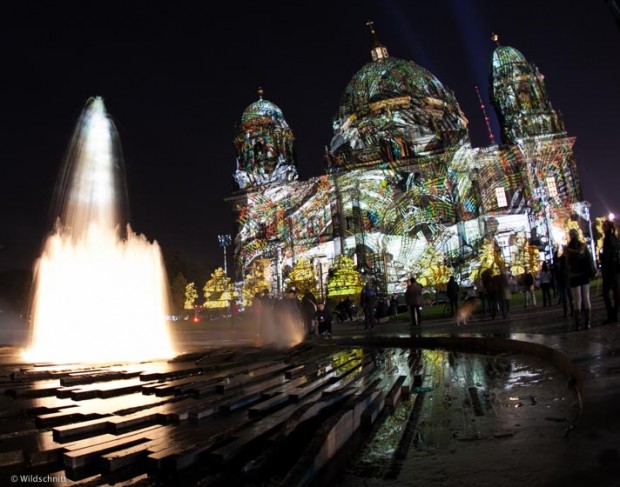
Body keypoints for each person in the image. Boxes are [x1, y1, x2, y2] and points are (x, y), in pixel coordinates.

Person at [565, 228, 595, 330]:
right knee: (586, 298)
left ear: (570, 235)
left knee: (577, 300)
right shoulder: (583, 245)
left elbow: (566, 263)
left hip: (574, 276)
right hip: (584, 274)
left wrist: (568, 251)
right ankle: (588, 323)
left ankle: (577, 324)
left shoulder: (568, 248)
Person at [600, 220, 620, 324]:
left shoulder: (607, 239)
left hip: (609, 270)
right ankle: (616, 314)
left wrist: (601, 256)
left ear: (607, 227)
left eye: (603, 226)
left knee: (606, 293)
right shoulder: (615, 238)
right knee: (616, 293)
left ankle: (611, 315)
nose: (602, 228)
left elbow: (606, 257)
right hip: (616, 269)